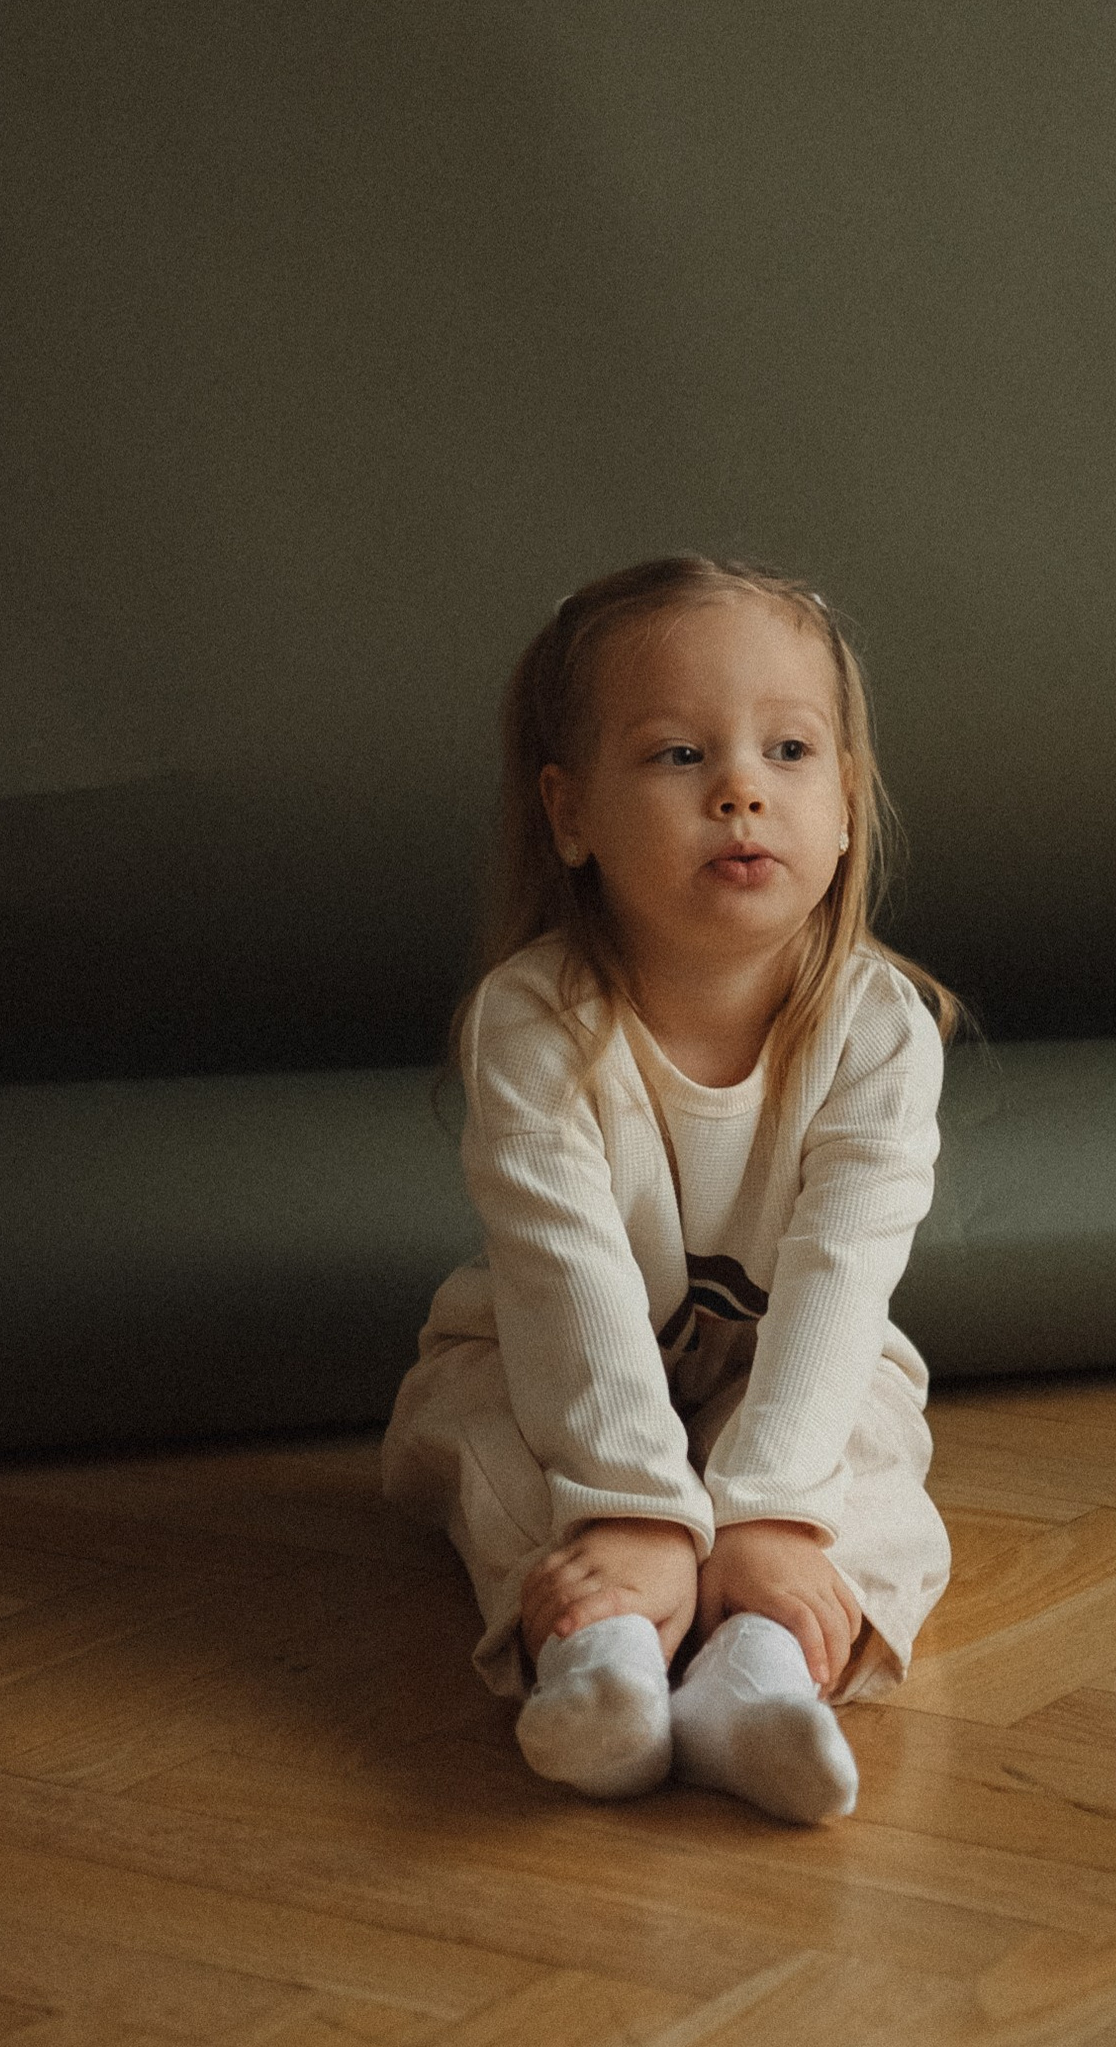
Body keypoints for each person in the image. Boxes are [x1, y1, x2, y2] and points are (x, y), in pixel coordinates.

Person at [383, 554, 961, 1825]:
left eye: (792, 751)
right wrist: (639, 1508)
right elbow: (568, 1286)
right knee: (497, 1447)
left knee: (875, 1453)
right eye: (678, 757)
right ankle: (596, 1665)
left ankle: (763, 1678)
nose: (744, 789)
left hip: (782, 1369)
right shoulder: (531, 1023)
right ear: (570, 812)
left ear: (850, 805)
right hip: (546, 1365)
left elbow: (839, 1281)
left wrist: (771, 1515)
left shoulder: (879, 1031)